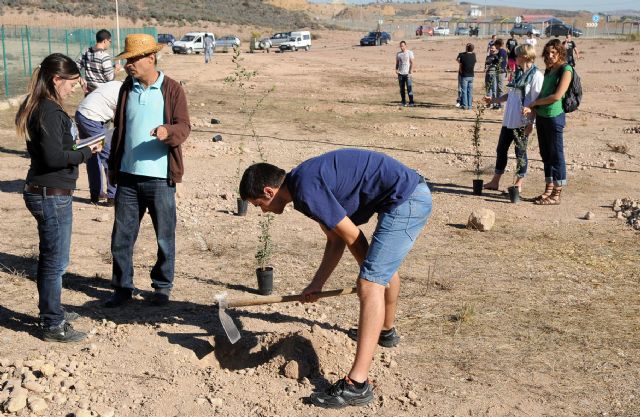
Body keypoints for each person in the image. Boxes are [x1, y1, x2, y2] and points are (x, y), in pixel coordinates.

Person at [240, 149, 432, 409]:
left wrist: (371, 280)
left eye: (258, 205)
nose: (262, 212)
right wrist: (317, 284)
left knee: (371, 281)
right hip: (404, 194)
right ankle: (385, 331)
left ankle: (357, 385)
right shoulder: (301, 185)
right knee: (378, 273)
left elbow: (354, 238)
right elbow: (336, 239)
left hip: (408, 199)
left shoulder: (306, 190)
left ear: (268, 192)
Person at [16, 53, 102, 342]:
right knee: (55, 263)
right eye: (72, 82)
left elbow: (52, 149)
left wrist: (79, 147)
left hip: (47, 192)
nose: (74, 88)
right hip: (51, 195)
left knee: (52, 260)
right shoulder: (49, 111)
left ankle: (52, 311)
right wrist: (86, 153)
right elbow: (54, 157)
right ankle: (52, 324)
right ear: (56, 79)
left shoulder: (42, 107)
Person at [105, 34, 191, 307]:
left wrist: (167, 131)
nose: (129, 64)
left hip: (160, 178)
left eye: (133, 59)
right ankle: (121, 288)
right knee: (122, 236)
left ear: (151, 58)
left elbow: (184, 126)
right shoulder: (126, 89)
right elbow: (120, 128)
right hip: (128, 177)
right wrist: (114, 166)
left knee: (164, 236)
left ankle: (162, 287)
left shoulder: (173, 89)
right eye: (127, 60)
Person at [483, 44, 543, 191]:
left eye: (517, 55)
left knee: (520, 152)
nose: (514, 58)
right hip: (509, 120)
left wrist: (531, 123)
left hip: (523, 121)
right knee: (501, 150)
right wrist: (494, 100)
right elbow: (510, 95)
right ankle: (495, 181)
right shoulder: (517, 73)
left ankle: (518, 184)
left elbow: (536, 102)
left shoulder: (536, 76)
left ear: (525, 57)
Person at [523, 39, 572, 205]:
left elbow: (556, 96)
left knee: (556, 154)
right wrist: (534, 109)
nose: (550, 56)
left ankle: (557, 194)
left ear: (560, 53)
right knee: (546, 154)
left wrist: (535, 103)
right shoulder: (549, 70)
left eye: (554, 53)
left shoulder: (566, 69)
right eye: (548, 53)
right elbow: (543, 93)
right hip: (543, 116)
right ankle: (548, 190)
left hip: (554, 116)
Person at [75, 80, 122, 205]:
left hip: (81, 113)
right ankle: (113, 196)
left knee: (92, 154)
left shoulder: (115, 84)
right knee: (109, 155)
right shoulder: (123, 91)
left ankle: (95, 194)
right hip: (91, 117)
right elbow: (119, 118)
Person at [76, 29, 119, 94]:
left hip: (89, 93)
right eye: (110, 41)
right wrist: (116, 69)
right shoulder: (104, 56)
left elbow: (75, 67)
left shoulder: (86, 52)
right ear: (105, 41)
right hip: (101, 93)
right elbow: (110, 78)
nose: (110, 43)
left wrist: (80, 80)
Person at [457, 43, 476, 110]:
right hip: (471, 75)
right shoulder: (474, 55)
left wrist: (461, 71)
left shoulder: (462, 55)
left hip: (464, 75)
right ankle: (470, 106)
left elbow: (460, 64)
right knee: (470, 91)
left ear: (466, 48)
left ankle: (465, 105)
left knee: (464, 91)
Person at [395, 41, 415, 107]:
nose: (401, 47)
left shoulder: (409, 52)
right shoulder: (398, 54)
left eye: (403, 46)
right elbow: (397, 63)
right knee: (402, 89)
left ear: (406, 46)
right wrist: (396, 69)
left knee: (409, 88)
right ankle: (403, 102)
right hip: (400, 74)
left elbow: (412, 63)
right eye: (400, 46)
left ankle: (411, 102)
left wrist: (410, 72)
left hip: (407, 74)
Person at [484, 43, 500, 108]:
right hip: (487, 74)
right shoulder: (488, 56)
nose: (491, 49)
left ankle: (494, 103)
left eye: (493, 48)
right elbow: (486, 65)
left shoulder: (496, 56)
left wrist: (493, 65)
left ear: (495, 49)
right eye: (491, 48)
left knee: (494, 89)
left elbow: (498, 65)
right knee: (488, 89)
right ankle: (489, 103)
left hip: (493, 74)